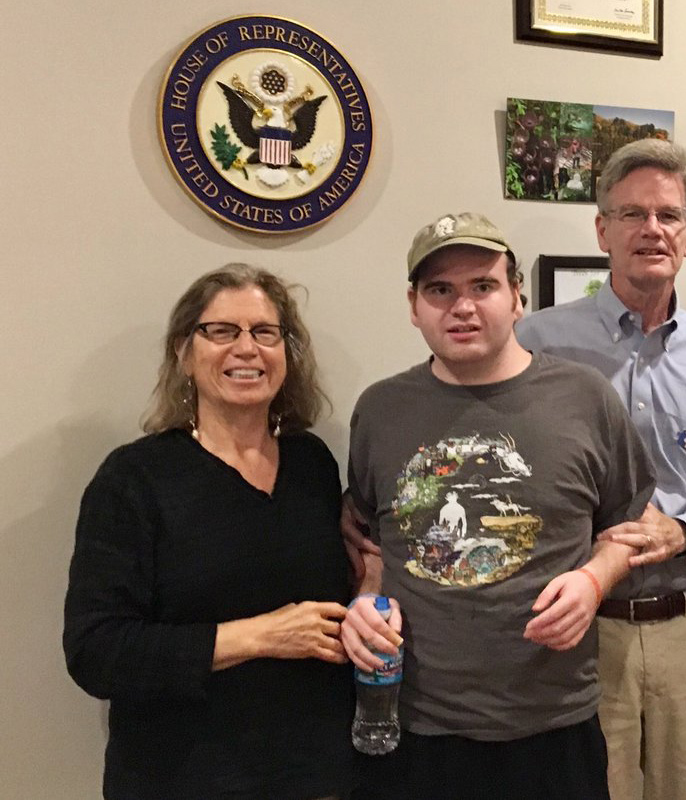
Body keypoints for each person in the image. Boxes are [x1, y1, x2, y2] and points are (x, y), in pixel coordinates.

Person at [339, 212, 655, 800]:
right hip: (415, 726)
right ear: (414, 306)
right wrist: (365, 601)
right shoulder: (379, 410)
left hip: (551, 725)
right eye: (440, 290)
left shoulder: (586, 399)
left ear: (517, 298)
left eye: (482, 286)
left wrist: (592, 580)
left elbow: (626, 526)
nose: (462, 307)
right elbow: (372, 543)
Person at [515, 139, 686, 800]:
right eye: (631, 214)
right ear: (603, 230)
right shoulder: (536, 346)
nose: (650, 229)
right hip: (581, 635)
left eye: (667, 215)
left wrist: (681, 532)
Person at [63, 264, 358, 800]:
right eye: (221, 331)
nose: (246, 349)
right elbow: (96, 652)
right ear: (183, 352)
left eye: (265, 332)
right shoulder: (133, 479)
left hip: (316, 776)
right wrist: (261, 636)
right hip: (181, 779)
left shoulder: (312, 462)